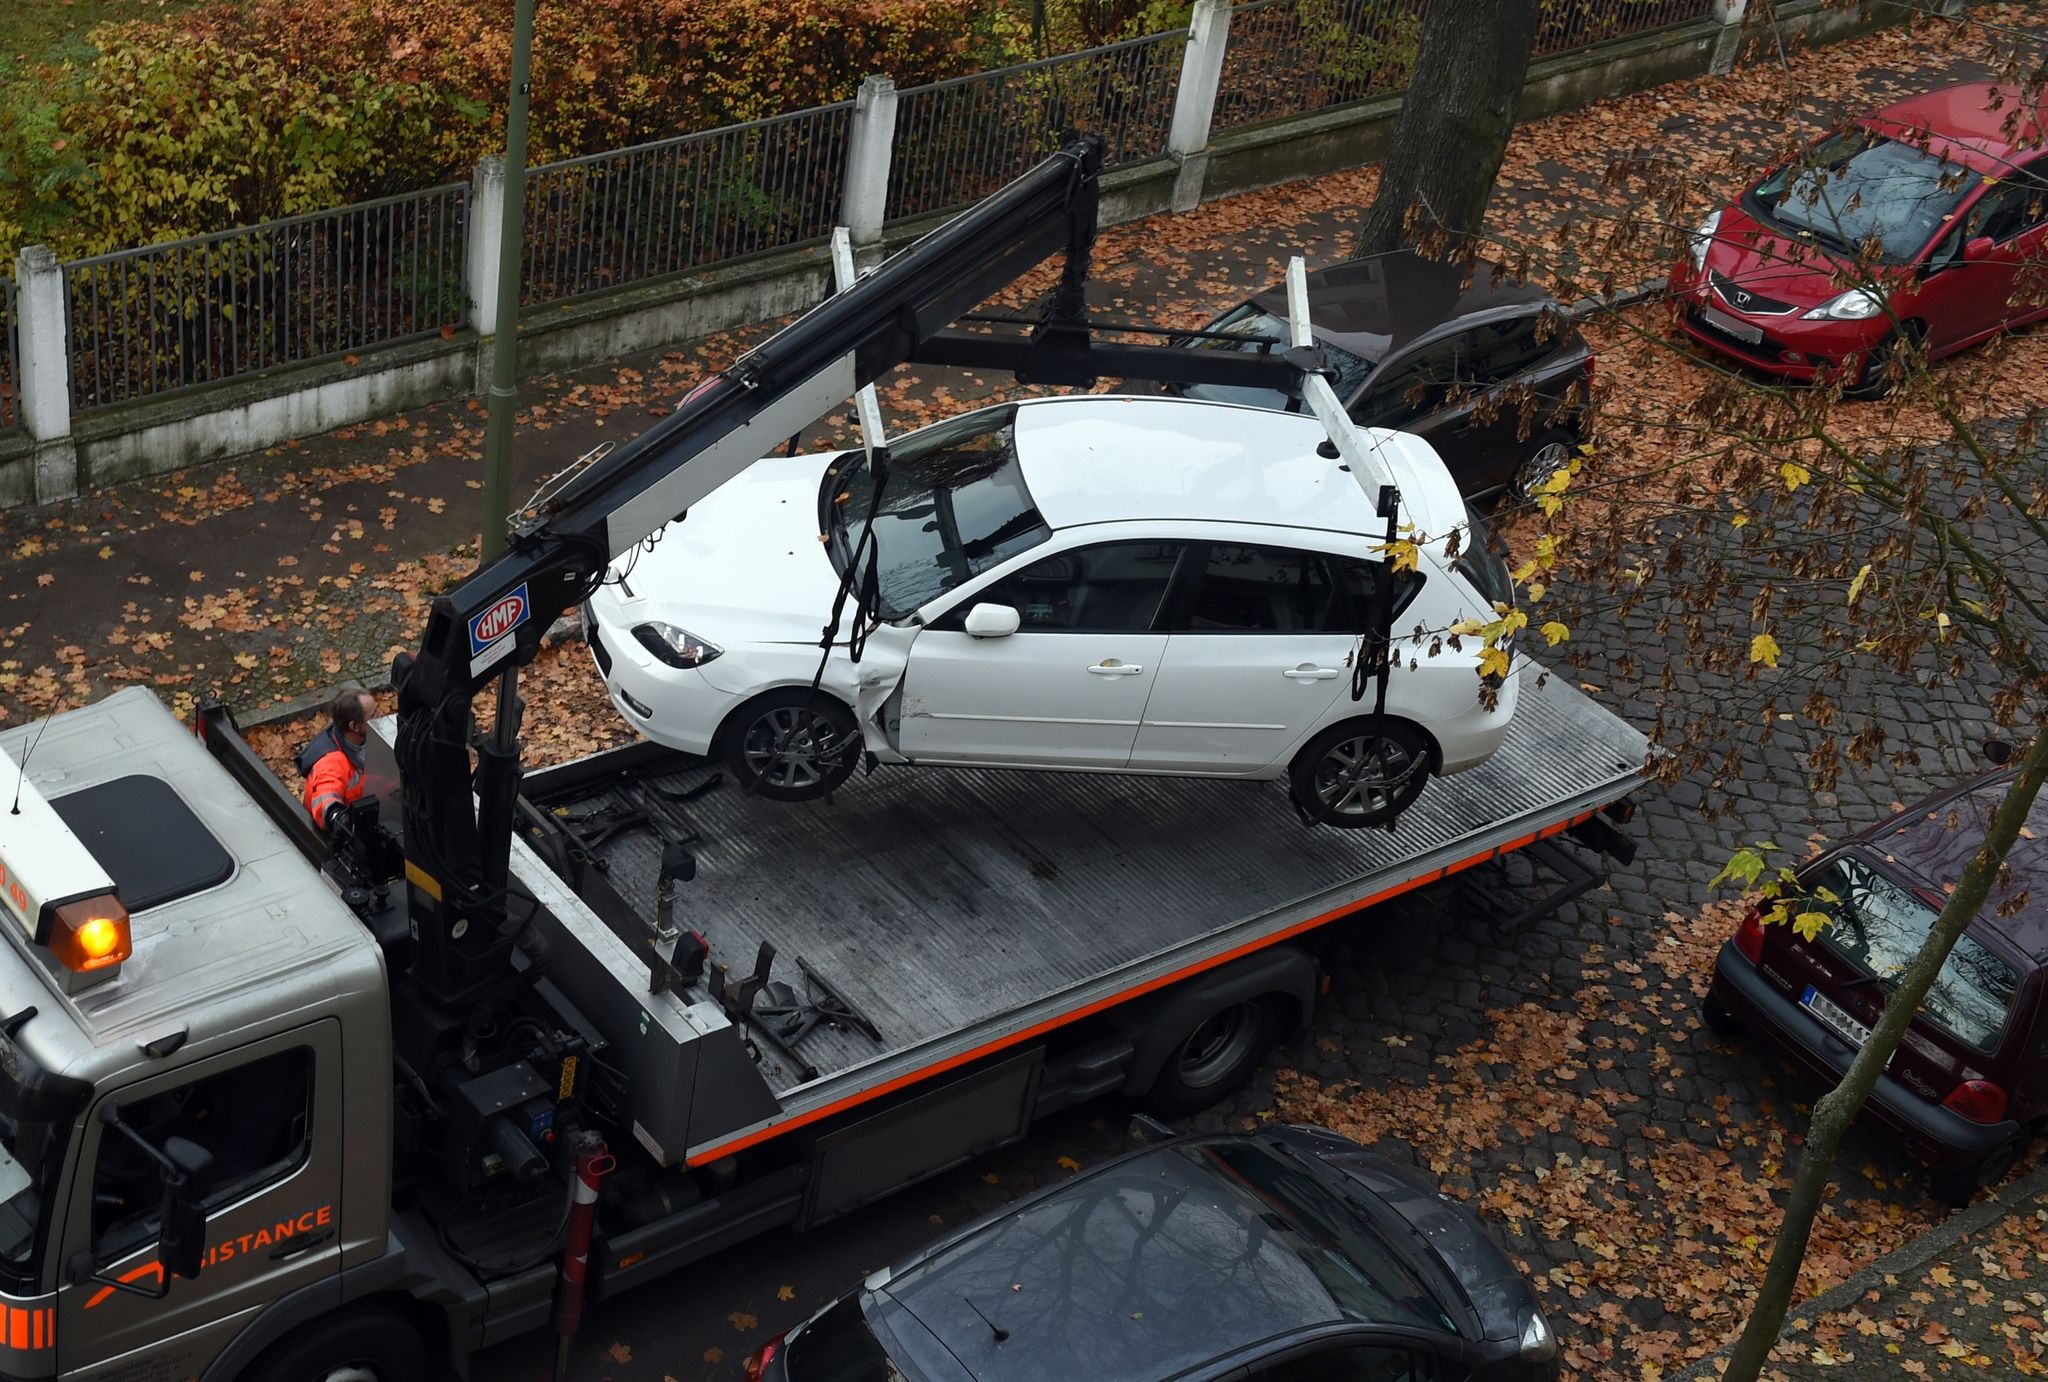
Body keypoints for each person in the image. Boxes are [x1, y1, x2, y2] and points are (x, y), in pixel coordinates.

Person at [299, 689, 377, 833]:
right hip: (341, 836)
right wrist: (337, 816)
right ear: (354, 726)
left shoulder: (365, 738)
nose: (381, 716)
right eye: (374, 715)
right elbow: (325, 799)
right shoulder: (331, 764)